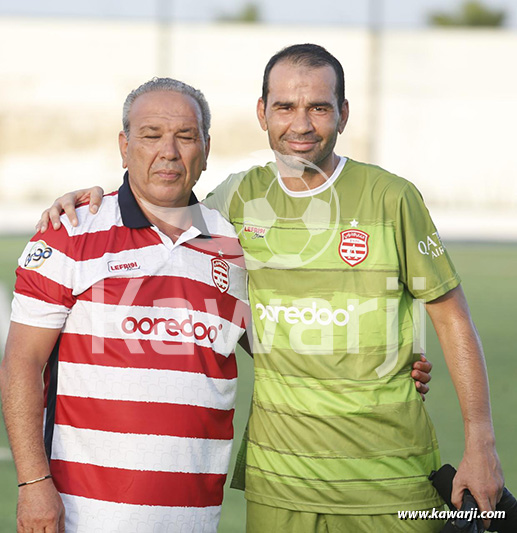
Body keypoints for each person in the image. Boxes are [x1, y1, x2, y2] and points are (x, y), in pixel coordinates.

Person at [33, 44, 470, 533]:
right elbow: (161, 197)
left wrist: (474, 440)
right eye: (285, 106)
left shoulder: (391, 196)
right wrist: (90, 200)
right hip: (277, 479)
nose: (300, 124)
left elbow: (451, 313)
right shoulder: (232, 205)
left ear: (343, 114)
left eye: (319, 107)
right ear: (262, 113)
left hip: (390, 474)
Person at [0, 78, 250, 532]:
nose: (169, 151)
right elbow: (21, 363)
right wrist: (33, 483)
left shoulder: (233, 244)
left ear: (206, 149)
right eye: (151, 135)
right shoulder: (72, 231)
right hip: (85, 516)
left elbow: (281, 347)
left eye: (186, 136)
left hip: (195, 517)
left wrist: (394, 366)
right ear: (124, 145)